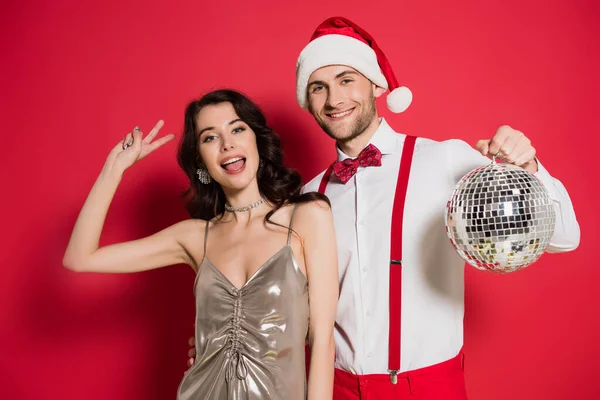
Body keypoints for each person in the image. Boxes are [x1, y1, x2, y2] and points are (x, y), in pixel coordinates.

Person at [293, 17, 580, 399]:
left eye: (346, 79)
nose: (334, 99)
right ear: (307, 101)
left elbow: (564, 236)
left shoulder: (443, 160)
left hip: (428, 389)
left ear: (376, 84)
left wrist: (528, 168)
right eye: (318, 87)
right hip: (333, 388)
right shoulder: (308, 197)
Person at [63, 89, 339, 400]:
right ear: (201, 161)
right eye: (210, 137)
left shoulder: (307, 217)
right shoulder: (194, 237)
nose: (227, 144)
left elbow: (323, 339)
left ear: (257, 140)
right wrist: (115, 168)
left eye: (237, 129)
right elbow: (80, 257)